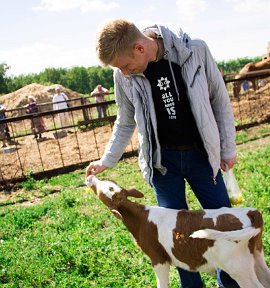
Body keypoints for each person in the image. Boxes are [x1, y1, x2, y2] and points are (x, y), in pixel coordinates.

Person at [86, 19, 238, 288]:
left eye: (124, 64)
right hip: (162, 163)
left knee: (223, 224)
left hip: (203, 156)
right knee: (173, 234)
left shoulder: (195, 51)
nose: (123, 72)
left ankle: (229, 283)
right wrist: (106, 160)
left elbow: (219, 100)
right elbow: (125, 120)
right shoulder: (124, 76)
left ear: (140, 48)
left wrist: (226, 148)